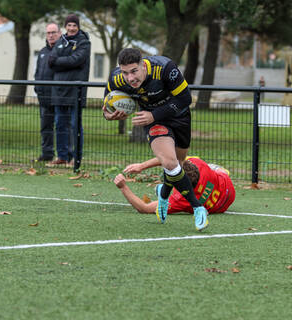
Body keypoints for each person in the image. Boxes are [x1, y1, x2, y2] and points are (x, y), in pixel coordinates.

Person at [103, 48, 209, 231]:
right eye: (125, 72)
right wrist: (109, 116)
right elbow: (106, 106)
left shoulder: (165, 68)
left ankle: (164, 193)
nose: (130, 78)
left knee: (179, 163)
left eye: (134, 71)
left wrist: (155, 114)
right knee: (169, 162)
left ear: (143, 65)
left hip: (180, 116)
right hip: (153, 121)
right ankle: (198, 207)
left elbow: (185, 98)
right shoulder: (116, 78)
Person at [114, 157, 236, 216]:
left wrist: (123, 187)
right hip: (228, 189)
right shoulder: (199, 164)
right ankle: (220, 171)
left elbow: (144, 208)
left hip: (222, 205)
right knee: (218, 171)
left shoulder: (180, 200)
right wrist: (141, 166)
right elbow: (169, 158)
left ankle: (164, 188)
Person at [48, 14, 91, 165]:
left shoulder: (84, 43)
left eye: (74, 25)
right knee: (60, 123)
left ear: (78, 27)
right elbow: (50, 61)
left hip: (75, 91)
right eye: (69, 25)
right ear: (65, 26)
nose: (71, 28)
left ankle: (76, 157)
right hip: (59, 90)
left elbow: (77, 60)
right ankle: (62, 156)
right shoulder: (60, 41)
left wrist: (59, 61)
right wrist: (65, 62)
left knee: (75, 125)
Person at [33, 22, 61, 161]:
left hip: (58, 97)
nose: (51, 35)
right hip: (43, 98)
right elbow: (38, 72)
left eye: (53, 32)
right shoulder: (43, 52)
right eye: (48, 33)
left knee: (62, 128)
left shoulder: (62, 51)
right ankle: (47, 154)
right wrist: (37, 88)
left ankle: (65, 156)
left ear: (60, 34)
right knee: (45, 127)